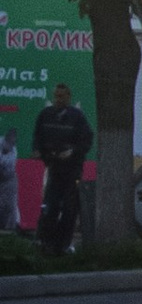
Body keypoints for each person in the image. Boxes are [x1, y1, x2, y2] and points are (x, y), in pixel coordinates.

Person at [30, 84, 94, 254]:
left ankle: (63, 245)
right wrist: (38, 151)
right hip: (54, 166)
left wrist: (72, 152)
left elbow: (86, 141)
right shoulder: (46, 115)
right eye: (56, 96)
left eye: (62, 96)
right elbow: (37, 136)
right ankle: (44, 241)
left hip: (72, 169)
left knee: (69, 208)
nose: (58, 100)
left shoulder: (77, 117)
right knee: (49, 206)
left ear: (69, 97)